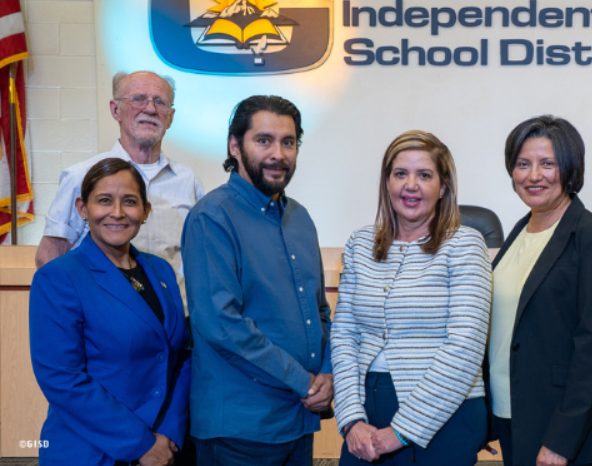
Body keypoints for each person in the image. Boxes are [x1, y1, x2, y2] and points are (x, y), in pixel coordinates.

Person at [181, 96, 332, 465]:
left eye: (288, 142)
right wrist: (305, 382)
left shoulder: (299, 217)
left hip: (298, 419)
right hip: (239, 428)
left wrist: (328, 373)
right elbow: (220, 322)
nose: (278, 153)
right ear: (235, 145)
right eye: (263, 140)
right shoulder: (211, 217)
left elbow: (319, 310)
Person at [332, 130, 492, 466]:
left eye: (424, 175)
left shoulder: (465, 244)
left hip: (445, 413)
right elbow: (344, 334)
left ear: (443, 186)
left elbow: (465, 346)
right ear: (386, 182)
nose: (411, 185)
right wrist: (350, 419)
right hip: (367, 411)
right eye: (400, 173)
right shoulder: (360, 244)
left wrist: (402, 430)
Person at [30, 158, 190, 466]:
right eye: (104, 201)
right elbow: (62, 378)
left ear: (145, 211)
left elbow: (181, 355)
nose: (117, 212)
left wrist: (169, 432)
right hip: (92, 452)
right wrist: (141, 444)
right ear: (82, 209)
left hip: (163, 448)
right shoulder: (59, 277)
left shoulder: (161, 270)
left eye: (129, 202)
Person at [487, 115, 592, 466]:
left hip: (559, 427)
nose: (534, 176)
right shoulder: (520, 230)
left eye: (547, 163)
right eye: (522, 164)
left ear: (570, 167)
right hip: (510, 412)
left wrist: (562, 441)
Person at [36, 71, 204, 310]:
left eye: (160, 101)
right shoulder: (80, 176)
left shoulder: (188, 181)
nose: (150, 109)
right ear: (115, 110)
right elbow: (49, 258)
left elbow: (197, 261)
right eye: (138, 99)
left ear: (170, 117)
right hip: (104, 325)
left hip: (176, 325)